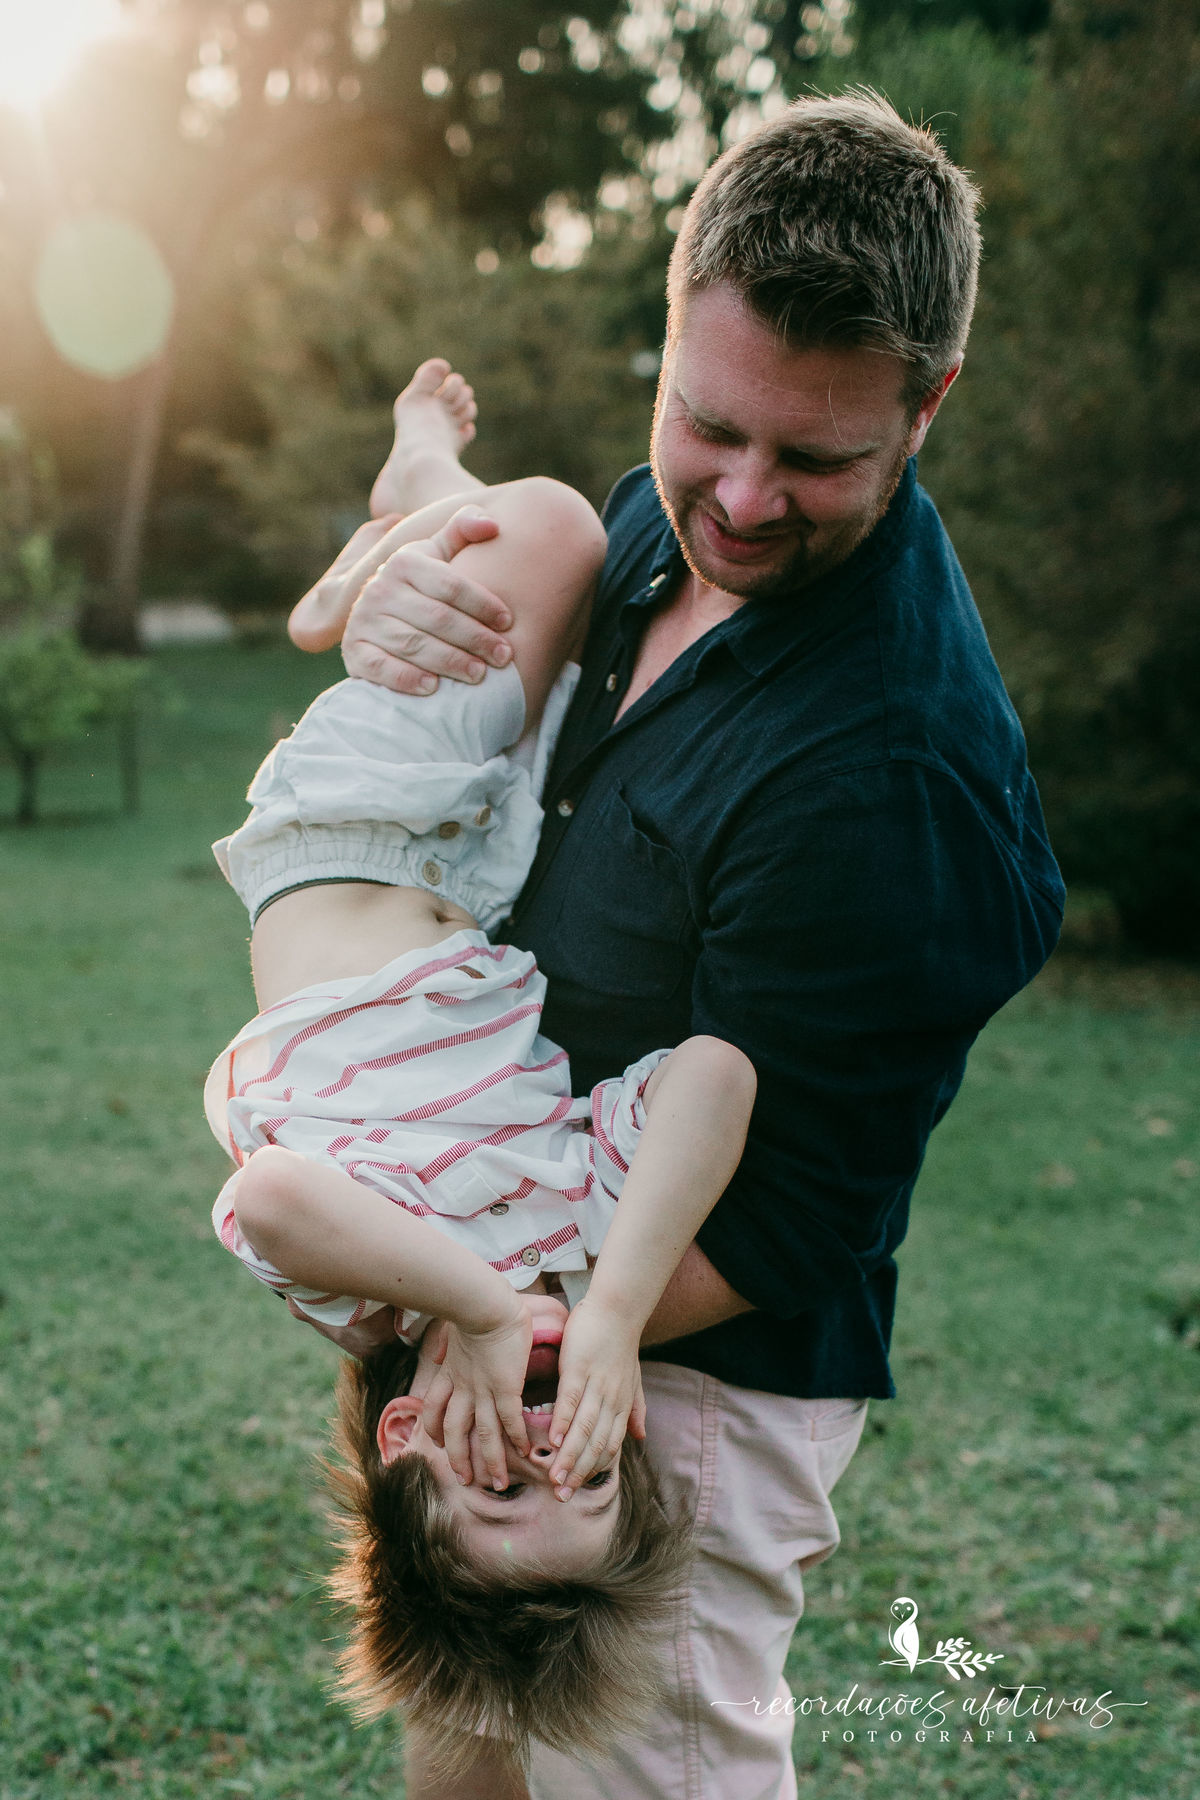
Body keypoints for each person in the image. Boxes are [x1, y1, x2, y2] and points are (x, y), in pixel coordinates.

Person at [294, 93, 1066, 1800]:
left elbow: (788, 1210)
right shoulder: (657, 526)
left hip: (664, 1386)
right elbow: (467, 688)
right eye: (708, 425)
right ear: (671, 336)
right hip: (491, 1297)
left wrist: (513, 1325)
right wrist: (395, 589)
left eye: (816, 459)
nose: (743, 497)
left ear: (927, 404)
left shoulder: (896, 774)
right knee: (461, 1747)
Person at [204, 464, 757, 1774]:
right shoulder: (586, 1238)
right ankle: (413, 506)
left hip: (352, 840)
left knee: (552, 526)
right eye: (593, 1478)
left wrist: (480, 1308)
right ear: (626, 1428)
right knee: (578, 634)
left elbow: (270, 1197)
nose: (550, 1450)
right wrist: (610, 1305)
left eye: (506, 1485)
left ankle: (374, 542)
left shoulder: (369, 1297)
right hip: (492, 880)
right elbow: (716, 1075)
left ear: (408, 1441)